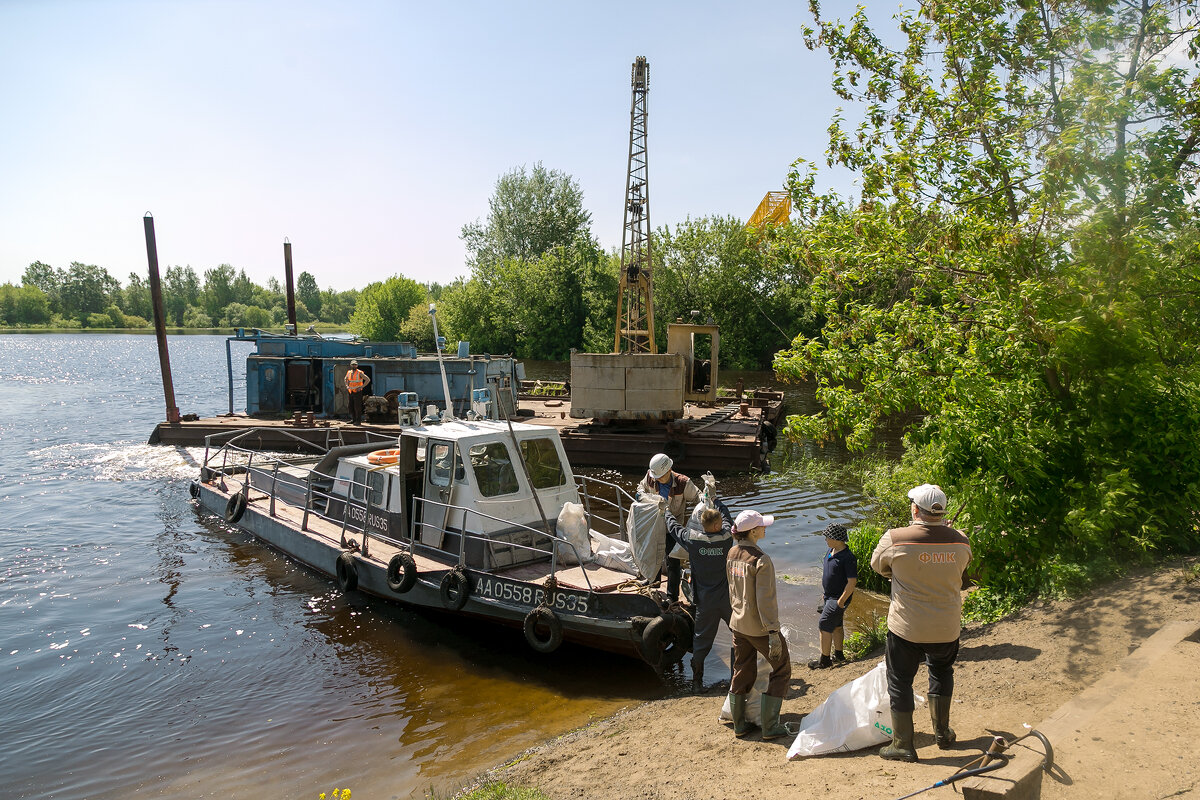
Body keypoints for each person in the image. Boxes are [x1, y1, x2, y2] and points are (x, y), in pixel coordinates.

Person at [871, 483, 972, 762]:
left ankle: (903, 744)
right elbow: (961, 568)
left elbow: (878, 566)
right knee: (941, 673)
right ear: (942, 511)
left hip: (907, 627)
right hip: (946, 626)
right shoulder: (961, 540)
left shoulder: (895, 538)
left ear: (915, 509)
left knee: (900, 681)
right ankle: (942, 732)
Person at [726, 508, 791, 739]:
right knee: (782, 668)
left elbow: (733, 590)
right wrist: (773, 631)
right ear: (753, 532)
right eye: (762, 525)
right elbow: (766, 600)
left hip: (738, 624)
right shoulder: (761, 559)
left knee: (742, 669)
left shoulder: (732, 552)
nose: (765, 528)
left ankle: (739, 725)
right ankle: (770, 727)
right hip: (759, 628)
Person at [663, 496, 734, 693]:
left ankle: (696, 683)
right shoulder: (727, 538)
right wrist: (716, 500)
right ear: (717, 524)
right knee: (739, 635)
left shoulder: (692, 540)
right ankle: (737, 678)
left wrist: (666, 512)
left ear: (702, 525)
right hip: (727, 599)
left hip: (705, 601)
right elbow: (729, 519)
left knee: (702, 641)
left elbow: (674, 528)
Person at [641, 453, 701, 603]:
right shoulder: (650, 476)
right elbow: (640, 490)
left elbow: (698, 497)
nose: (658, 479)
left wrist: (707, 501)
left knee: (672, 560)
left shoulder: (683, 483)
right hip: (655, 524)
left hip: (673, 527)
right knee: (652, 553)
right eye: (656, 477)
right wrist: (647, 498)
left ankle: (671, 596)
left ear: (669, 470)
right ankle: (652, 582)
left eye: (661, 476)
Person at [808, 522, 857, 670]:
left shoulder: (847, 557)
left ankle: (825, 660)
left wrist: (841, 601)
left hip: (838, 598)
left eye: (827, 537)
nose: (825, 540)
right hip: (829, 596)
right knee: (836, 625)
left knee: (824, 624)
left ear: (837, 539)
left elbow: (852, 582)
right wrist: (825, 594)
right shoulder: (831, 551)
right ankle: (839, 654)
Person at [344, 360, 370, 425]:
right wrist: (347, 385)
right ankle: (353, 419)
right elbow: (345, 379)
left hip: (357, 392)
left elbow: (367, 379)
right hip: (351, 392)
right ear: (350, 365)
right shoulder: (349, 372)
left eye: (355, 365)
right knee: (351, 406)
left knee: (357, 407)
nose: (354, 366)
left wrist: (361, 387)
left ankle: (358, 421)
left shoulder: (359, 373)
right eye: (353, 364)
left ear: (357, 365)